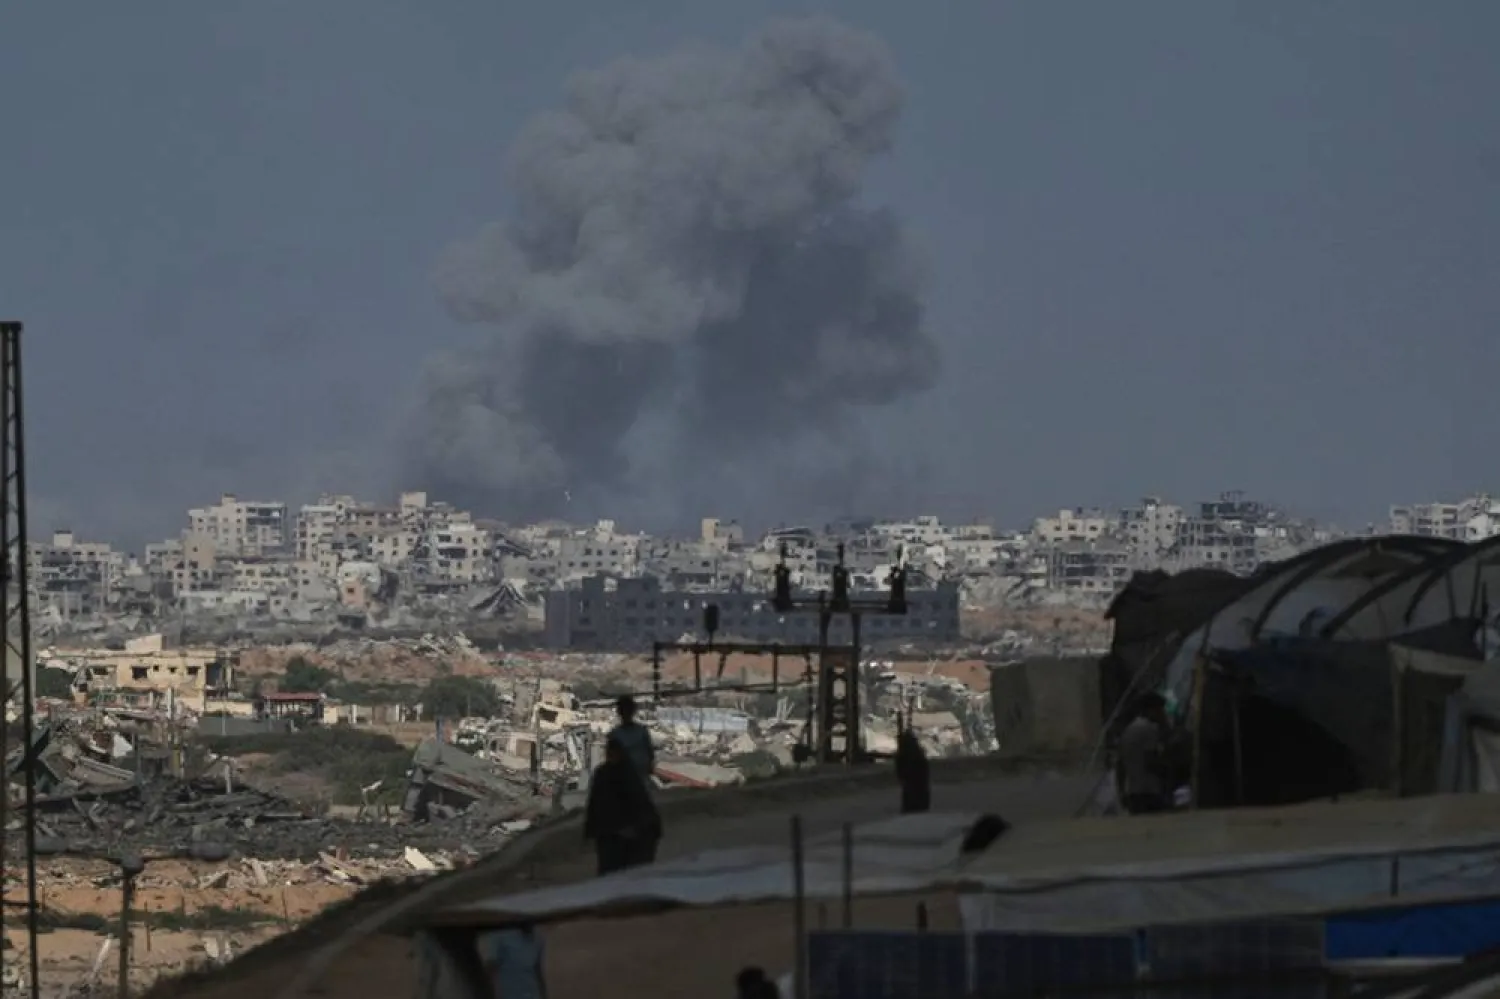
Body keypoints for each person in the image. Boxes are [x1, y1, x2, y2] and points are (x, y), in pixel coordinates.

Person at [584, 735, 662, 875]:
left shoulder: (629, 774)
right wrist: (590, 830)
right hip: (610, 834)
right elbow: (594, 803)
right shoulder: (602, 773)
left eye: (615, 753)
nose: (612, 756)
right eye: (610, 752)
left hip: (629, 835)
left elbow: (639, 803)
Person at [1117, 692, 1171, 815]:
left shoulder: (1128, 730)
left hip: (1133, 792)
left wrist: (1121, 792)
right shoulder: (1150, 729)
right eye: (1160, 710)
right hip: (1149, 792)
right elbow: (1150, 760)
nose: (1163, 713)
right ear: (1151, 710)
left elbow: (1120, 765)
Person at [610, 694, 655, 784]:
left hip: (641, 778)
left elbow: (650, 753)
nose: (626, 713)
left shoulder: (642, 731)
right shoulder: (615, 734)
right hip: (623, 780)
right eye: (623, 710)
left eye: (628, 709)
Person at [894, 727, 931, 814]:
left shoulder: (905, 756)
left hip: (913, 789)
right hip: (918, 791)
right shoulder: (918, 755)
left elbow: (901, 774)